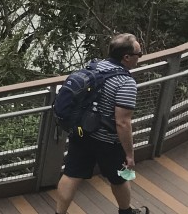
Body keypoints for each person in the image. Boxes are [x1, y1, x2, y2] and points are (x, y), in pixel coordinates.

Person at [54, 33, 148, 214]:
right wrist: (129, 154)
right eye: (139, 54)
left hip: (81, 134)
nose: (140, 57)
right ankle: (126, 212)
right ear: (126, 57)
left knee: (71, 175)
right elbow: (122, 122)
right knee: (120, 178)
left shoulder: (95, 66)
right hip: (109, 141)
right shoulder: (126, 82)